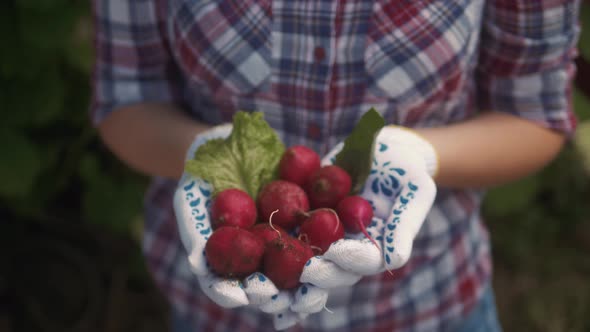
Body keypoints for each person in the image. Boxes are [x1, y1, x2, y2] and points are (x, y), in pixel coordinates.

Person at [90, 0, 580, 331]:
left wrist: (423, 155)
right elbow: (128, 96)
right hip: (220, 317)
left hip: (429, 304)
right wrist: (207, 154)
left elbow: (534, 112)